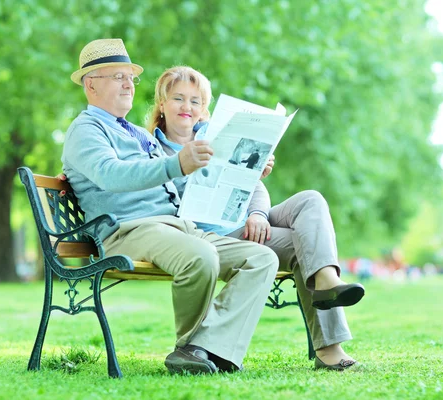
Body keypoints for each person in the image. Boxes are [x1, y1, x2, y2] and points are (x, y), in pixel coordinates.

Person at [61, 39, 280, 375]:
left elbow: (181, 182)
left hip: (177, 226)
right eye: (118, 76)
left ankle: (203, 349)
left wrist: (246, 171)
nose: (128, 85)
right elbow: (109, 175)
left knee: (261, 258)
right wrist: (177, 163)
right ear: (91, 84)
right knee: (201, 257)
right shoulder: (86, 130)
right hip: (128, 230)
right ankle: (191, 349)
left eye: (130, 78)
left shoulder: (138, 134)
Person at [147, 66, 366, 371]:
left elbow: (256, 189)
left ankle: (327, 280)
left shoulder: (217, 136)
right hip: (214, 236)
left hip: (248, 223)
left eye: (195, 101)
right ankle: (329, 349)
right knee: (307, 246)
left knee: (311, 201)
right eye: (178, 99)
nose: (187, 107)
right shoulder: (150, 149)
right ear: (162, 102)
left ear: (203, 108)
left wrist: (257, 206)